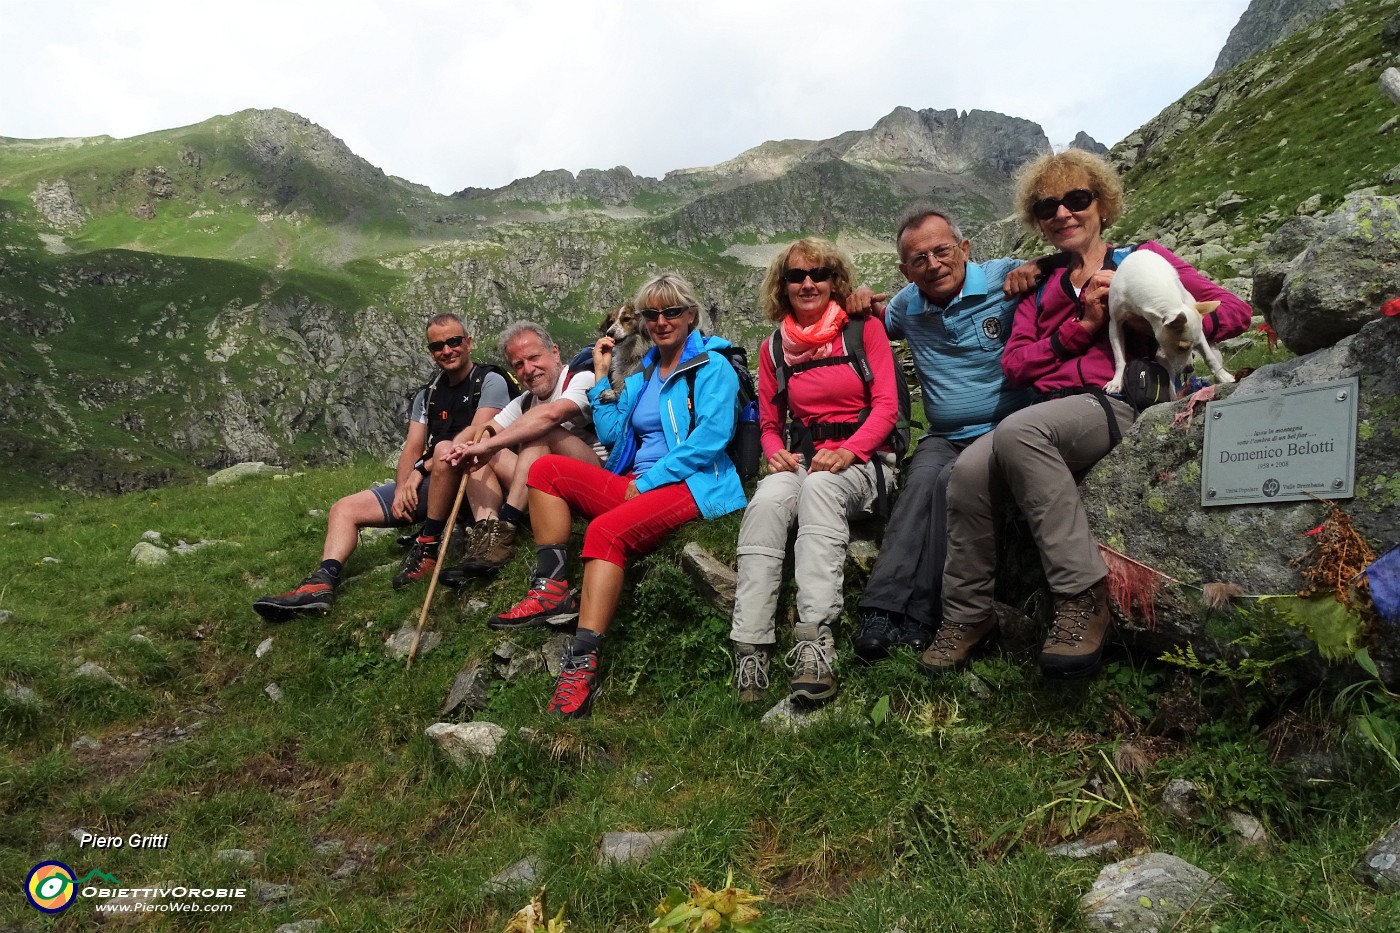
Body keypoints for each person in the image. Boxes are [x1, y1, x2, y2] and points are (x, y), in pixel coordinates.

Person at [925, 149, 1251, 679]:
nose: (1063, 213)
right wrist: (1080, 325)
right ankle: (968, 615)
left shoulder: (1144, 262)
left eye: (1077, 199)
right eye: (1047, 206)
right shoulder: (1041, 287)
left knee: (1019, 432)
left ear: (1103, 205)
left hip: (1119, 401)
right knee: (963, 473)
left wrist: (1157, 323)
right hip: (1048, 411)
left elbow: (1231, 309)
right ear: (1037, 220)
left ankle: (1080, 596)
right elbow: (1015, 364)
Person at [487, 273, 746, 718]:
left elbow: (712, 438)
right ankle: (551, 586)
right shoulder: (646, 373)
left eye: (672, 312)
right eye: (652, 314)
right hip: (636, 480)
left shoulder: (712, 366)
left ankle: (581, 667)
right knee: (546, 468)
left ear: (691, 316)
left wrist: (646, 482)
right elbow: (613, 433)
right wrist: (604, 379)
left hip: (695, 483)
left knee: (605, 532)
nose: (661, 321)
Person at [849, 207, 1046, 664]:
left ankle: (922, 613)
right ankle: (880, 610)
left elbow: (1078, 267)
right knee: (918, 482)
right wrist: (861, 300)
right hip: (944, 432)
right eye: (919, 259)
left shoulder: (1005, 278)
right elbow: (877, 319)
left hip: (1006, 429)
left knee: (947, 484)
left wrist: (1041, 268)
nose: (933, 264)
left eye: (942, 251)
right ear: (905, 270)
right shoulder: (906, 306)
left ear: (964, 248)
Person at [728, 238, 899, 705]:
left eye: (818, 274)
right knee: (766, 501)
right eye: (796, 276)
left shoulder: (863, 332)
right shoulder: (774, 348)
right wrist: (772, 451)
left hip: (864, 462)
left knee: (820, 488)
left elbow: (886, 409)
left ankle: (815, 643)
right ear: (781, 286)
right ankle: (751, 646)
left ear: (834, 281)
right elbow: (768, 423)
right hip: (803, 459)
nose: (808, 283)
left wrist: (849, 450)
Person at [253, 313, 509, 621]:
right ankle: (322, 581)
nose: (447, 350)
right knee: (343, 509)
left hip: (473, 476)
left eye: (454, 342)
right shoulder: (428, 393)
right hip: (437, 478)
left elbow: (477, 434)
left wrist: (420, 471)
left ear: (468, 343)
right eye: (437, 346)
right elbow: (412, 445)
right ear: (430, 351)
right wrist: (403, 488)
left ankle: (427, 547)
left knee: (443, 450)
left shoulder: (489, 380)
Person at [407, 321, 607, 586]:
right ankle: (487, 538)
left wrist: (490, 445)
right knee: (478, 451)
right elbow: (481, 430)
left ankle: (508, 523)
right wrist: (460, 450)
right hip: (549, 487)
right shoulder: (525, 401)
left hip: (593, 481)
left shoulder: (580, 378)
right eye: (518, 365)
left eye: (534, 358)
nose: (528, 370)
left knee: (538, 431)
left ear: (555, 353)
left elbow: (552, 415)